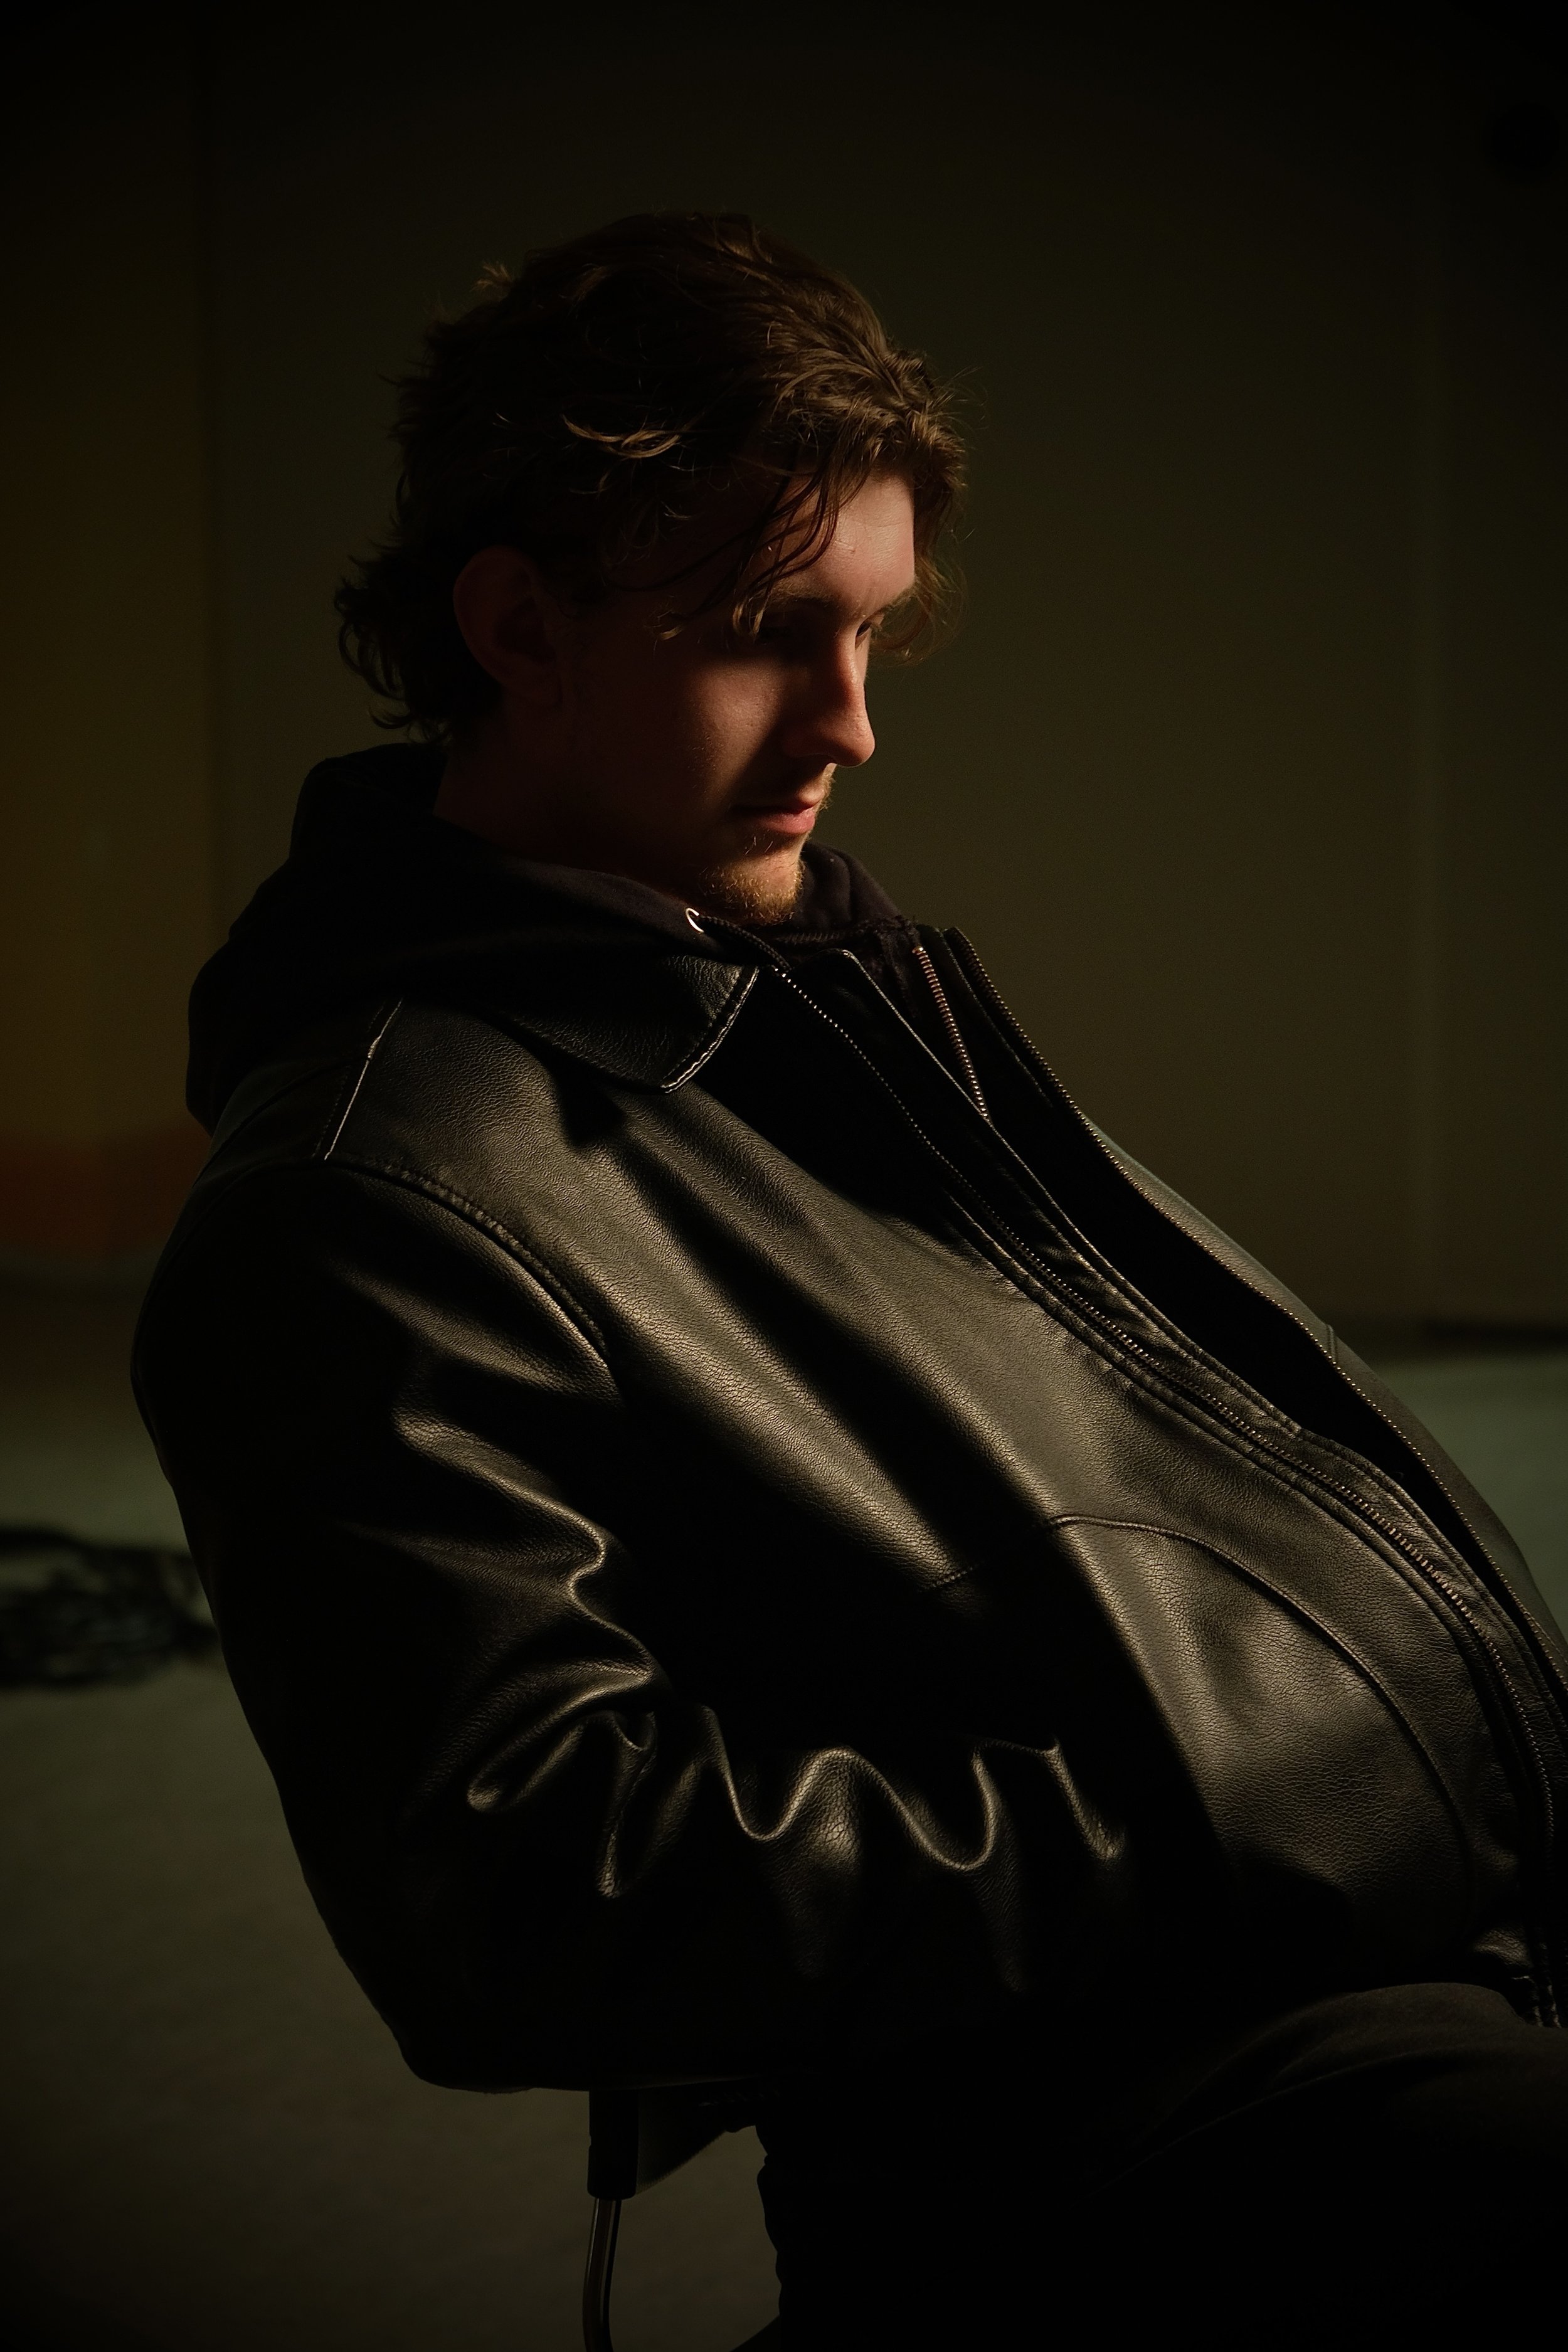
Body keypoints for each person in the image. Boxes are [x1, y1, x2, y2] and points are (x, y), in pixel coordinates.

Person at [133, 213, 1568, 2346]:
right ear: (517, 625)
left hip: (1382, 1938)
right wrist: (1246, 1825)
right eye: (761, 632)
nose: (852, 724)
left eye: (880, 636)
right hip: (1117, 2110)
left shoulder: (786, 979)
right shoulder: (366, 1199)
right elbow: (518, 1900)